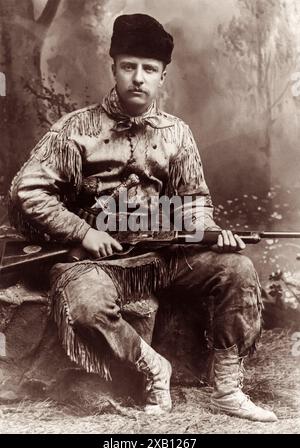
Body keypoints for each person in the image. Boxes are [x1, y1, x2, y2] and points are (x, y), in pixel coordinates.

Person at [8, 13, 277, 422]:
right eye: (129, 66)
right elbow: (28, 190)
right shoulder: (75, 129)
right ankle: (153, 368)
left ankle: (226, 388)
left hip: (160, 255)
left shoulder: (176, 133)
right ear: (113, 67)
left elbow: (193, 200)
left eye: (149, 69)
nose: (138, 77)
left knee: (237, 269)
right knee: (85, 306)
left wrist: (208, 232)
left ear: (162, 76)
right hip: (94, 260)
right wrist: (82, 231)